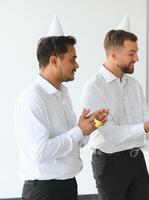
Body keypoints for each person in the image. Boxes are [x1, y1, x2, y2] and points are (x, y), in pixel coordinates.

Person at [15, 17, 109, 200]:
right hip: (45, 192)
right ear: (54, 60)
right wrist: (78, 130)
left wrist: (88, 128)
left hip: (66, 186)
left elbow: (74, 142)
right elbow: (40, 152)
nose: (77, 65)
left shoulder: (62, 95)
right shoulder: (32, 99)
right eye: (72, 59)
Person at [80, 28, 149, 199]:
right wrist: (145, 128)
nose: (137, 58)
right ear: (113, 55)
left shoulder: (133, 84)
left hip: (136, 160)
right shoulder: (94, 88)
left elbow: (145, 113)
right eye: (131, 54)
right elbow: (110, 134)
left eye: (136, 53)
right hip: (109, 163)